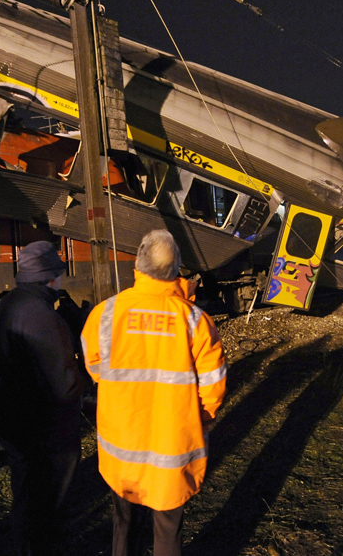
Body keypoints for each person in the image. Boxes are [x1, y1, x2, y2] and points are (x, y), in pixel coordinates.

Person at [81, 230, 227, 556]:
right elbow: (213, 387)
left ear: (137, 266)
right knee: (168, 529)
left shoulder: (105, 314)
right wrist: (196, 418)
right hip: (172, 449)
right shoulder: (196, 321)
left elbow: (94, 368)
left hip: (122, 450)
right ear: (176, 269)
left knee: (124, 524)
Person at [0, 240, 83, 556]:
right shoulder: (43, 317)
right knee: (49, 507)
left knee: (25, 495)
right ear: (50, 276)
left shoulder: (5, 305)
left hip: (12, 418)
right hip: (45, 430)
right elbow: (64, 384)